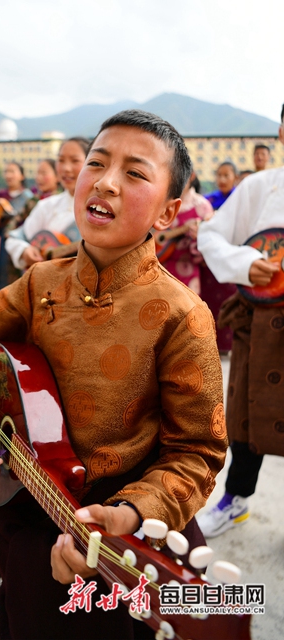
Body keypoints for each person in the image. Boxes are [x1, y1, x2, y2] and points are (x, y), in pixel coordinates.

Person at [0, 110, 227, 640]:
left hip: (124, 534)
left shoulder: (183, 314)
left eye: (135, 173)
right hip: (29, 518)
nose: (106, 181)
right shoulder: (37, 282)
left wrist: (130, 512)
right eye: (97, 162)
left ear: (168, 213)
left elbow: (198, 452)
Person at [196, 104, 284, 538]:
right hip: (260, 322)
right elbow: (209, 235)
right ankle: (235, 499)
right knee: (248, 420)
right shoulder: (260, 188)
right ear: (283, 131)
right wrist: (247, 263)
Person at [5, 137, 88, 270]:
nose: (66, 168)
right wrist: (25, 251)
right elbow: (15, 238)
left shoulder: (101, 209)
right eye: (61, 160)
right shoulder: (47, 206)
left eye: (75, 160)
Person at [201, 162, 238, 353]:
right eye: (219, 175)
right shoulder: (207, 201)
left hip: (231, 256)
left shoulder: (240, 200)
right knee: (209, 301)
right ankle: (209, 344)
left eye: (227, 175)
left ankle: (228, 345)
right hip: (210, 259)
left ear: (235, 178)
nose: (222, 179)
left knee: (227, 300)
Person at [156, 171, 213, 294]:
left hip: (188, 273)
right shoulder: (160, 201)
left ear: (192, 176)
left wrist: (198, 238)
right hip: (157, 272)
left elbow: (210, 248)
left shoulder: (202, 206)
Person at [0, 162, 34, 291]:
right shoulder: (1, 196)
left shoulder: (28, 198)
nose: (8, 175)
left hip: (21, 243)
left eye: (12, 171)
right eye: (6, 172)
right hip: (1, 242)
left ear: (21, 176)